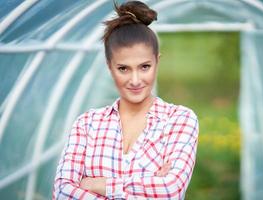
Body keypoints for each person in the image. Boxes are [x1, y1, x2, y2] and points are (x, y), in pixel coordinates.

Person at [52, 1, 199, 199]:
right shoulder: (87, 124)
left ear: (157, 62)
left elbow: (170, 189)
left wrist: (100, 184)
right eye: (123, 68)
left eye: (144, 66)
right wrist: (148, 185)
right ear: (109, 66)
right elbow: (62, 192)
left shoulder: (180, 119)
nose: (136, 80)